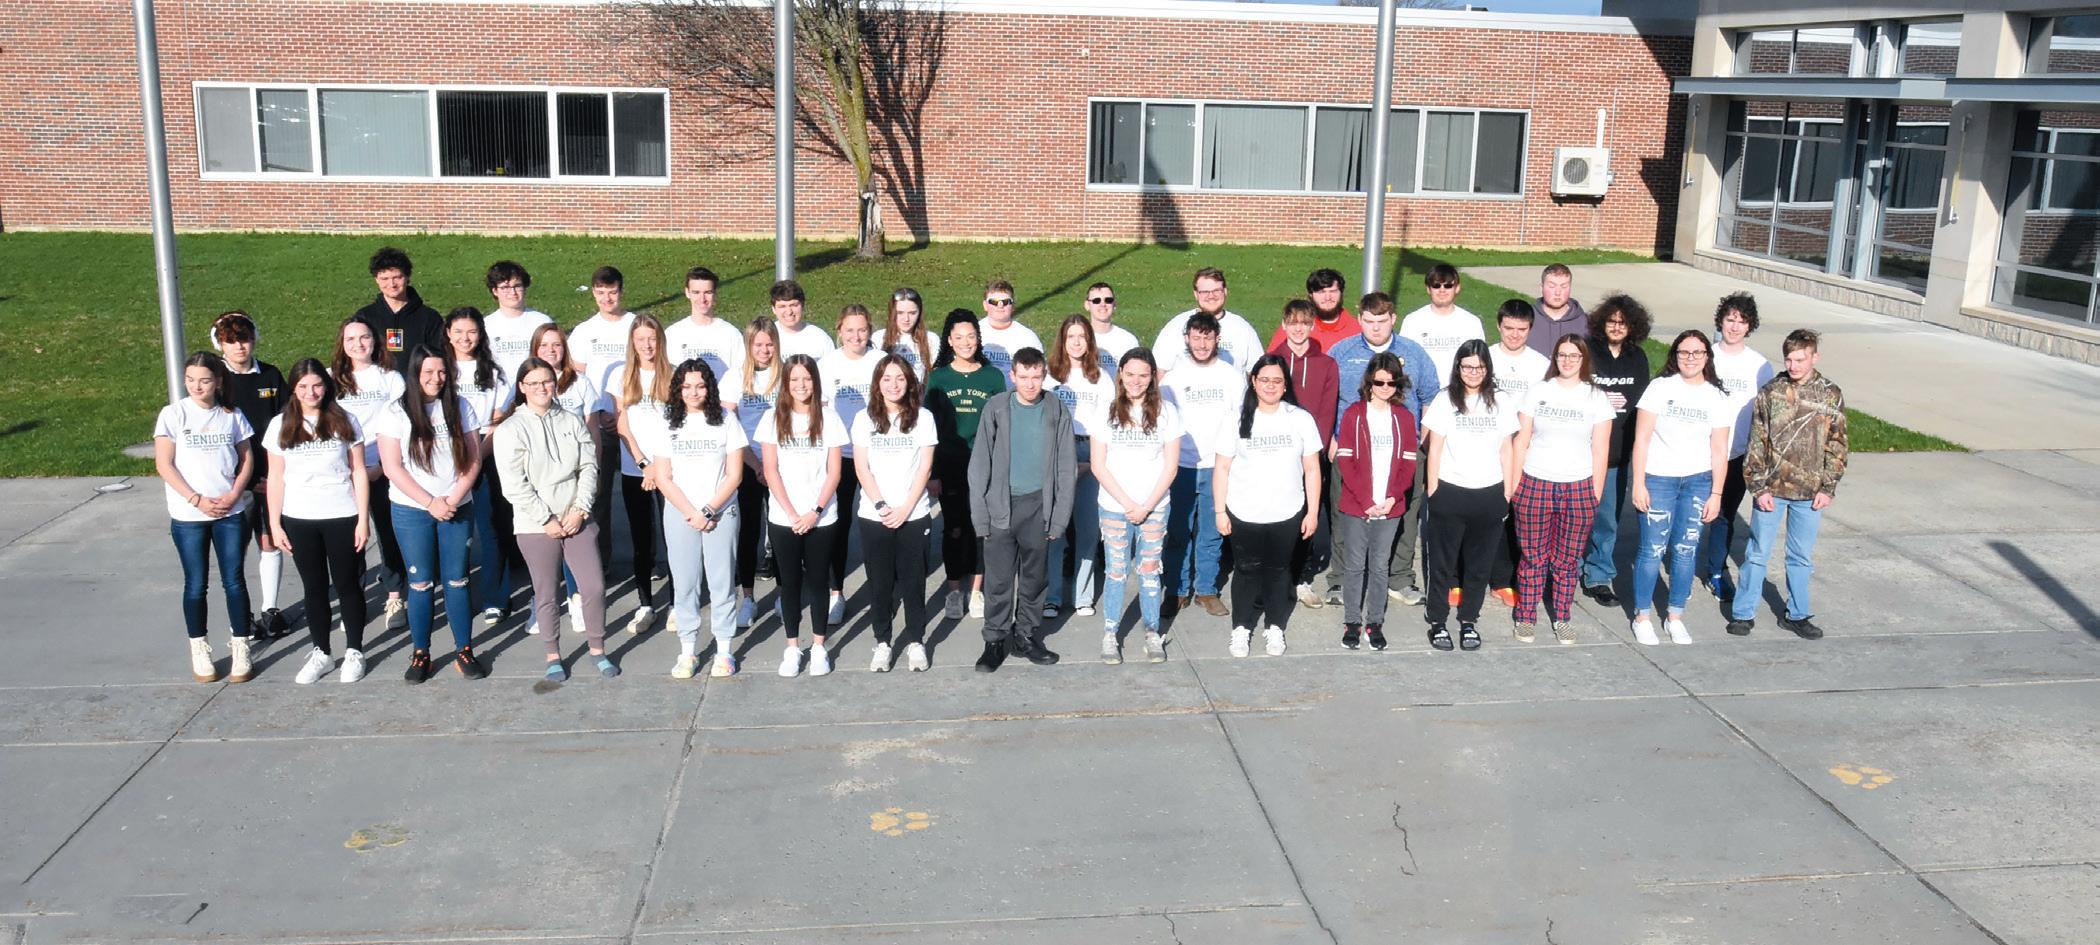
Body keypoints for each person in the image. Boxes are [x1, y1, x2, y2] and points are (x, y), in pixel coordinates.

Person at [496, 357, 616, 681]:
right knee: (546, 592)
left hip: (577, 518)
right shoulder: (510, 429)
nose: (541, 388)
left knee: (593, 586)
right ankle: (553, 655)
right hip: (536, 525)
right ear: (522, 387)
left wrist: (580, 509)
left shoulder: (571, 421)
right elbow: (514, 485)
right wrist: (545, 519)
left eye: (547, 381)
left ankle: (597, 648)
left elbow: (588, 467)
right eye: (533, 383)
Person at [1728, 330, 1847, 640]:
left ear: (1814, 357)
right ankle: (1743, 613)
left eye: (1800, 360)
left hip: (1810, 493)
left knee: (1800, 557)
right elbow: (1757, 441)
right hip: (1772, 490)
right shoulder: (1771, 392)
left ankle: (1797, 614)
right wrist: (1759, 487)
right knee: (1757, 553)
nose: (1793, 366)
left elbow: (1837, 444)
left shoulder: (1830, 394)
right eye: (1789, 360)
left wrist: (1828, 487)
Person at [377, 346, 486, 683]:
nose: (436, 379)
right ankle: (421, 652)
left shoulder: (460, 406)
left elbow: (473, 458)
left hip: (456, 505)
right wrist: (430, 503)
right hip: (412, 510)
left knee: (457, 579)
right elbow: (392, 467)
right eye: (428, 372)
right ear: (414, 374)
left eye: (441, 372)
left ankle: (464, 650)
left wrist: (452, 498)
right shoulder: (395, 412)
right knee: (421, 582)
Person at [265, 359, 373, 685]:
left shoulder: (345, 420)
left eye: (317, 385)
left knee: (347, 584)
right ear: (293, 389)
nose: (311, 392)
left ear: (326, 387)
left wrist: (363, 520)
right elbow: (276, 478)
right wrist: (275, 524)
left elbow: (358, 471)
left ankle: (354, 651)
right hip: (300, 518)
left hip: (342, 514)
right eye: (303, 387)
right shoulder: (280, 424)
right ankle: (322, 652)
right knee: (314, 588)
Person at [967, 347, 1076, 673]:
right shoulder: (997, 408)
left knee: (1034, 579)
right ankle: (995, 640)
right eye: (1023, 377)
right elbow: (979, 464)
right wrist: (981, 516)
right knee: (998, 581)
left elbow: (1066, 467)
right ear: (1012, 376)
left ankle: (1025, 636)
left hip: (1038, 506)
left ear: (1044, 376)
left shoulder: (1055, 409)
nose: (1030, 384)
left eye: (1036, 377)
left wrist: (1059, 517)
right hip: (1001, 506)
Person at [1327, 292, 1437, 606]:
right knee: (1345, 515)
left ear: (1393, 319)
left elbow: (1430, 398)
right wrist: (1333, 442)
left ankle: (1399, 578)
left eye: (1382, 320)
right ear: (1359, 319)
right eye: (1369, 321)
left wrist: (1420, 444)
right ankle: (1341, 579)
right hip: (1352, 453)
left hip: (1402, 453)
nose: (1375, 327)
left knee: (1405, 515)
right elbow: (1327, 399)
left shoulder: (1413, 353)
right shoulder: (1342, 352)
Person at [639, 358, 746, 678]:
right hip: (681, 514)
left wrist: (709, 510)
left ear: (709, 388)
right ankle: (688, 650)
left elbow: (734, 474)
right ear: (678, 389)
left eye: (700, 386)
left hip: (720, 513)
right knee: (685, 583)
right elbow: (663, 476)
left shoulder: (726, 419)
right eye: (686, 386)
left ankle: (724, 650)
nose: (694, 392)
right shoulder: (668, 421)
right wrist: (691, 513)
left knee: (722, 582)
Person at [155, 351, 256, 683]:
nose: (197, 387)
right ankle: (199, 648)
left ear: (218, 382)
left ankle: (241, 646)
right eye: (190, 380)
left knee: (234, 580)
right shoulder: (173, 415)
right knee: (196, 584)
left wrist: (234, 493)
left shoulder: (232, 415)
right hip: (189, 515)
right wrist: (196, 499)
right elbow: (164, 464)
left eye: (204, 380)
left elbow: (247, 459)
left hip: (229, 512)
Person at [1628, 330, 1733, 646]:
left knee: (1686, 551)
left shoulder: (1715, 396)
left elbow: (1719, 450)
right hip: (1659, 479)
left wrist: (1716, 493)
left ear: (1707, 357)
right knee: (1652, 550)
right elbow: (1642, 439)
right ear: (1675, 355)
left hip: (1698, 481)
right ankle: (1642, 617)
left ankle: (1675, 616)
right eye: (1684, 352)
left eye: (1697, 352)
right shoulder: (1660, 388)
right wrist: (1638, 483)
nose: (1691, 358)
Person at [1214, 354, 1322, 658]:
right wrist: (1220, 511)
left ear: (1285, 384)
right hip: (1244, 511)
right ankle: (1241, 627)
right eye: (1264, 380)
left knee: (1279, 571)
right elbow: (1222, 467)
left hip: (1287, 511)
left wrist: (1312, 512)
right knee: (1246, 570)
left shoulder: (1300, 419)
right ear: (1253, 382)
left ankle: (1275, 626)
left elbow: (1312, 469)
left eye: (1277, 380)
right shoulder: (1235, 418)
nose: (1270, 386)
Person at [1510, 335, 1614, 644]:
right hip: (1535, 482)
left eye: (1574, 356)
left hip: (1578, 486)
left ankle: (1562, 617)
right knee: (1532, 557)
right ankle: (1526, 616)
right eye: (1562, 355)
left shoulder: (1596, 397)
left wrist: (1594, 493)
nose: (1567, 361)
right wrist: (1514, 486)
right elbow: (1521, 440)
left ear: (1583, 360)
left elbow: (1600, 449)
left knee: (1567, 561)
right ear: (1555, 358)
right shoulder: (1538, 391)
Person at [1420, 340, 1517, 652]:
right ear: (1458, 368)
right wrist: (1433, 489)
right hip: (1450, 491)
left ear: (1487, 368)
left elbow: (1507, 449)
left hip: (1489, 493)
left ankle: (1469, 620)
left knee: (1479, 565)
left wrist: (1507, 491)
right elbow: (1434, 448)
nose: (1473, 372)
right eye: (1467, 366)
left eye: (1479, 367)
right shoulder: (1445, 399)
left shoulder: (1501, 400)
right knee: (1442, 564)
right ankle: (1437, 620)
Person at [757, 354, 846, 678]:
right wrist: (793, 513)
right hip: (785, 519)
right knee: (790, 584)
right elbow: (770, 470)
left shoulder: (829, 418)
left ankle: (819, 646)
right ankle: (793, 647)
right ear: (785, 383)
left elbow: (834, 472)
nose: (801, 385)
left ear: (815, 382)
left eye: (807, 379)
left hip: (822, 518)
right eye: (794, 379)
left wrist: (815, 512)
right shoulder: (771, 418)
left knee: (819, 582)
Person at [1091, 348, 1179, 665]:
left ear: (1153, 376)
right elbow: (1098, 465)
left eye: (1143, 375)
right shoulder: (1106, 410)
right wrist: (1129, 504)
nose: (1136, 381)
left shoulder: (1167, 412)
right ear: (1121, 375)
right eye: (1130, 374)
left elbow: (1170, 467)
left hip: (1154, 506)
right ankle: (1110, 633)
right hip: (1115, 506)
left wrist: (1146, 505)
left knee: (1150, 571)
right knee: (1116, 572)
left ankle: (1152, 632)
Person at [852, 354, 939, 672]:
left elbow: (925, 468)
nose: (893, 385)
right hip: (874, 515)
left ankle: (916, 641)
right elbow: (862, 468)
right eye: (887, 378)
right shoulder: (864, 419)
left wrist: (905, 509)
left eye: (900, 378)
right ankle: (883, 642)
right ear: (878, 383)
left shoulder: (923, 418)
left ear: (910, 383)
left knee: (914, 582)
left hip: (913, 514)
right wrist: (881, 505)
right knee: (880, 583)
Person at [211, 312, 291, 641]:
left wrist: (275, 474)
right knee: (236, 547)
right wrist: (238, 478)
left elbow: (287, 422)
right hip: (233, 480)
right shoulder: (217, 380)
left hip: (269, 476)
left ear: (254, 338)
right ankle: (240, 614)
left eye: (243, 338)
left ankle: (270, 609)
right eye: (231, 341)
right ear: (220, 344)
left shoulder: (270, 375)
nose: (239, 346)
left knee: (269, 540)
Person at [1161, 313, 1245, 617]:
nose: (1201, 344)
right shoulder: (1172, 379)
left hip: (1217, 467)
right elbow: (1163, 423)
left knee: (1211, 532)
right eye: (1196, 337)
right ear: (1187, 339)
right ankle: (1176, 590)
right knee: (1178, 531)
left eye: (1207, 337)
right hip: (1181, 467)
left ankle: (1207, 590)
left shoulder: (1232, 377)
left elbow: (1239, 422)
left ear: (1217, 339)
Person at [1332, 352, 1417, 652]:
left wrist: (1392, 497)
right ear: (1369, 382)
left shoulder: (1404, 418)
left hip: (1390, 507)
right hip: (1357, 505)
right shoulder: (1354, 415)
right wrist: (1366, 500)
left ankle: (1375, 622)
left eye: (1391, 383)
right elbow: (1346, 462)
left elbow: (1408, 464)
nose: (1385, 388)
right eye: (1379, 382)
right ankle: (1352, 622)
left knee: (1380, 566)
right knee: (1355, 566)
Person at [926, 309, 1006, 619]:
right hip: (950, 465)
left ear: (978, 338)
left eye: (971, 336)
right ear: (949, 340)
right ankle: (954, 589)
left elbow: (1002, 426)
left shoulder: (992, 377)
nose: (965, 342)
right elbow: (929, 428)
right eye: (959, 337)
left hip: (984, 465)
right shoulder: (939, 378)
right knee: (954, 528)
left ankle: (976, 591)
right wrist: (932, 473)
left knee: (980, 528)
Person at [331, 316, 409, 627]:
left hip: (384, 467)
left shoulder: (390, 378)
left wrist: (381, 467)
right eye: (351, 339)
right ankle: (356, 598)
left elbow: (403, 423)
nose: (358, 344)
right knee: (352, 538)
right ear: (342, 344)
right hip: (347, 472)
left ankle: (395, 595)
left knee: (388, 534)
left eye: (364, 337)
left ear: (375, 340)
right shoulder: (332, 379)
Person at [1699, 292, 1776, 602]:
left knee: (1723, 516)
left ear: (1749, 326)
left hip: (1737, 455)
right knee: (1688, 516)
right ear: (1720, 321)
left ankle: (1715, 572)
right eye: (1730, 319)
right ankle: (1680, 568)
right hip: (1698, 452)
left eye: (1741, 321)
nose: (1734, 326)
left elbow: (1767, 414)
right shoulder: (1704, 355)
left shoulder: (1760, 366)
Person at [1580, 295, 1654, 606]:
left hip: (1617, 455)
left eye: (1623, 323)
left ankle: (1598, 575)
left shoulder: (1637, 358)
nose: (1616, 327)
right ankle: (1566, 569)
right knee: (1574, 518)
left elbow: (1642, 406)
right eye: (1611, 321)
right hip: (1581, 452)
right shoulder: (1587, 351)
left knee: (1607, 520)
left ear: (1632, 326)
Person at [445, 307, 515, 627]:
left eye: (472, 331)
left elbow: (499, 420)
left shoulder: (495, 371)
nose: (465, 338)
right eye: (458, 332)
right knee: (453, 528)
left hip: (486, 454)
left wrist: (475, 458)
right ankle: (455, 595)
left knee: (490, 528)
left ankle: (495, 598)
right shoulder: (441, 369)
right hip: (447, 457)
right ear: (448, 334)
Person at [1269, 299, 1339, 608]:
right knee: (1275, 516)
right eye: (1293, 323)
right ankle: (1273, 577)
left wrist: (1312, 451)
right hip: (1276, 453)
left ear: (1312, 326)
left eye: (1304, 323)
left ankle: (1300, 578)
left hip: (1310, 455)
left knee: (1306, 516)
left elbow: (1326, 411)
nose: (1298, 329)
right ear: (1284, 325)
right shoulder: (1273, 361)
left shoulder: (1326, 364)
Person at [1481, 300, 1551, 607]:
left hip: (1524, 446)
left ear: (1530, 329)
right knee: (1483, 510)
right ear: (1498, 325)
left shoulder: (1540, 364)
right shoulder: (1486, 357)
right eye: (1508, 328)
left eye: (1521, 329)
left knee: (1514, 513)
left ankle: (1503, 579)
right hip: (1486, 444)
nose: (1514, 334)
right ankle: (1467, 575)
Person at [818, 304, 881, 626]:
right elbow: (820, 410)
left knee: (880, 521)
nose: (856, 336)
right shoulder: (827, 364)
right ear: (839, 330)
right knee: (837, 524)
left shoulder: (881, 361)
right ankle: (836, 592)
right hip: (840, 454)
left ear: (870, 330)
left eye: (862, 330)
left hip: (876, 453)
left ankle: (884, 588)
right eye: (850, 330)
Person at [1046, 314, 1111, 618]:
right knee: (1055, 530)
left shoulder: (1101, 377)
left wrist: (1090, 462)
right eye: (1070, 336)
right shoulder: (1049, 376)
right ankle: (1051, 597)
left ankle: (1082, 597)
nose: (1076, 342)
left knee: (1087, 530)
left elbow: (1108, 423)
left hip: (1090, 452)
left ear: (1090, 341)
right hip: (1056, 451)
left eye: (1082, 337)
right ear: (1062, 340)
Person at [610, 314, 673, 629]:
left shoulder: (673, 374)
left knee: (672, 538)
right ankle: (646, 603)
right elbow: (622, 425)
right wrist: (643, 464)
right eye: (640, 340)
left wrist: (658, 466)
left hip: (668, 470)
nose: (647, 345)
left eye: (652, 338)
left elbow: (677, 425)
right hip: (636, 470)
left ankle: (676, 603)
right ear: (632, 343)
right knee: (642, 540)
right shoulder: (621, 376)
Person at [733, 318, 783, 628]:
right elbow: (729, 425)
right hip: (748, 463)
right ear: (748, 345)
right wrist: (756, 465)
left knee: (780, 531)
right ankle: (748, 597)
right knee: (749, 531)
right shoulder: (735, 377)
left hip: (780, 464)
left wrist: (772, 465)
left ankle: (783, 594)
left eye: (769, 344)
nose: (764, 350)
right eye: (758, 344)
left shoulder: (786, 374)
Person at [355, 246, 443, 377]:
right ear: (376, 280)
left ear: (407, 277)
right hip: (376, 387)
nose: (392, 284)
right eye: (385, 279)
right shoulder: (365, 317)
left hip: (416, 386)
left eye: (397, 277)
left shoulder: (430, 317)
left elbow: (438, 357)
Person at [1155, 267, 1263, 373]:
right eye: (1205, 292)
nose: (1211, 296)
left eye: (1216, 290)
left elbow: (1258, 371)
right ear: (1196, 294)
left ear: (1225, 291)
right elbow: (1160, 370)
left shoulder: (1242, 328)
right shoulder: (1176, 326)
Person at [1399, 264, 1485, 384]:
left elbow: (1480, 363)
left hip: (1459, 391)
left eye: (1448, 285)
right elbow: (1404, 361)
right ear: (1428, 289)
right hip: (1423, 391)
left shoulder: (1471, 323)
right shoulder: (1412, 321)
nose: (1442, 290)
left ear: (1457, 288)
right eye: (1436, 285)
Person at [664, 266, 744, 383]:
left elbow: (740, 376)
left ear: (715, 294)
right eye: (696, 292)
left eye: (708, 292)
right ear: (687, 293)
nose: (702, 299)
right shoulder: (672, 334)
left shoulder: (731, 334)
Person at [568, 265, 638, 382]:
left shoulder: (638, 326)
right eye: (601, 293)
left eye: (612, 292)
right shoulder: (583, 331)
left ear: (621, 292)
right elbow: (576, 374)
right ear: (593, 292)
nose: (607, 298)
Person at [483, 260, 552, 378]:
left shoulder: (542, 322)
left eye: (517, 286)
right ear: (495, 291)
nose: (513, 292)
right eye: (505, 287)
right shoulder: (486, 325)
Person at [1266, 268, 1360, 352]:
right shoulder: (1295, 328)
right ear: (1310, 295)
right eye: (1321, 292)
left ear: (1341, 293)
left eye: (1333, 291)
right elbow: (1270, 361)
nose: (1328, 297)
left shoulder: (1357, 330)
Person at [976, 279, 1042, 382]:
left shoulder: (1028, 337)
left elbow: (1038, 373)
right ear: (985, 305)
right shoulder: (971, 333)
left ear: (1013, 306)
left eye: (1006, 302)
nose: (1000, 305)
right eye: (993, 302)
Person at [873, 287, 941, 378]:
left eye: (912, 313)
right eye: (900, 313)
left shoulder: (931, 339)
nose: (906, 319)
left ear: (919, 313)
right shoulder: (879, 337)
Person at [1527, 263, 1588, 358]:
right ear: (1541, 287)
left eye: (1564, 287)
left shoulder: (1585, 323)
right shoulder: (1527, 318)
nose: (1558, 292)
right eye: (1552, 286)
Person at [1082, 282, 1140, 375]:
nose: (1103, 304)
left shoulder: (1128, 341)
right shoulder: (1077, 338)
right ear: (1087, 305)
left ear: (1114, 304)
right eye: (1096, 300)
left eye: (1108, 300)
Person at [771, 279, 836, 362]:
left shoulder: (820, 338)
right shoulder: (766, 336)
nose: (789, 312)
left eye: (794, 305)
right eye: (782, 306)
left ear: (803, 305)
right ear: (773, 309)